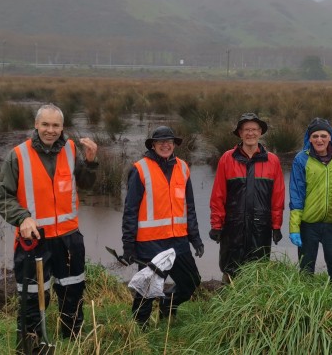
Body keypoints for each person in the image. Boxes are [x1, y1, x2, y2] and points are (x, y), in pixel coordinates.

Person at [0, 104, 98, 352]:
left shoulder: (71, 149)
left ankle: (72, 341)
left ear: (62, 127)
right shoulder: (17, 155)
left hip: (69, 239)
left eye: (55, 125)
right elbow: (2, 198)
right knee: (32, 299)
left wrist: (91, 162)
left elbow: (85, 185)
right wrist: (22, 218)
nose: (50, 130)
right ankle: (30, 346)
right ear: (36, 125)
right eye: (45, 125)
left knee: (72, 293)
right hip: (34, 240)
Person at [122, 126, 203, 327]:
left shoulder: (183, 167)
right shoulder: (140, 169)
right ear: (153, 145)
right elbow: (130, 210)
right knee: (147, 291)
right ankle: (139, 329)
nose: (166, 145)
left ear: (174, 144)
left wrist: (196, 239)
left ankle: (168, 304)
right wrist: (128, 246)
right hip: (151, 243)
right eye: (161, 142)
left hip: (179, 241)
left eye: (169, 141)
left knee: (191, 281)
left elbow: (189, 207)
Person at [209, 112, 285, 282]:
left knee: (258, 271)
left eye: (254, 129)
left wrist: (276, 225)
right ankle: (227, 303)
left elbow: (277, 197)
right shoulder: (227, 159)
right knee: (230, 269)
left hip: (261, 227)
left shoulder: (272, 161)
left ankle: (253, 306)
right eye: (246, 130)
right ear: (240, 133)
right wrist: (216, 225)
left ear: (260, 132)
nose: (250, 133)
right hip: (233, 228)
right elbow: (218, 195)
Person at [288, 118, 332, 292]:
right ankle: (305, 304)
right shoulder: (301, 159)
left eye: (323, 135)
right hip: (308, 224)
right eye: (315, 136)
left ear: (330, 137)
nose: (319, 140)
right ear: (309, 138)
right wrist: (294, 228)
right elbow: (296, 194)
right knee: (306, 270)